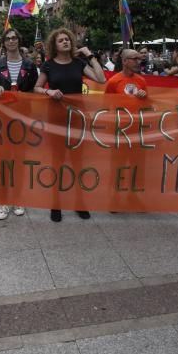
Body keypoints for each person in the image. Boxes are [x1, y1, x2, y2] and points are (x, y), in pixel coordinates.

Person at [34, 27, 105, 222]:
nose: (65, 42)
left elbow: (101, 78)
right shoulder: (48, 66)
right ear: (54, 45)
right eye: (60, 40)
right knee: (57, 163)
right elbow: (37, 87)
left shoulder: (78, 63)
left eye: (67, 39)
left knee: (77, 163)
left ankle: (79, 202)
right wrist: (48, 92)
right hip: (56, 120)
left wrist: (90, 56)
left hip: (77, 119)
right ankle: (55, 204)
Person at [0, 28, 38, 220]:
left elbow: (34, 90)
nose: (11, 41)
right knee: (2, 162)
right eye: (8, 39)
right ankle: (3, 202)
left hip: (22, 120)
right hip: (2, 121)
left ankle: (18, 199)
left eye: (14, 38)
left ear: (19, 41)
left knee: (19, 162)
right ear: (4, 42)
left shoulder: (29, 64)